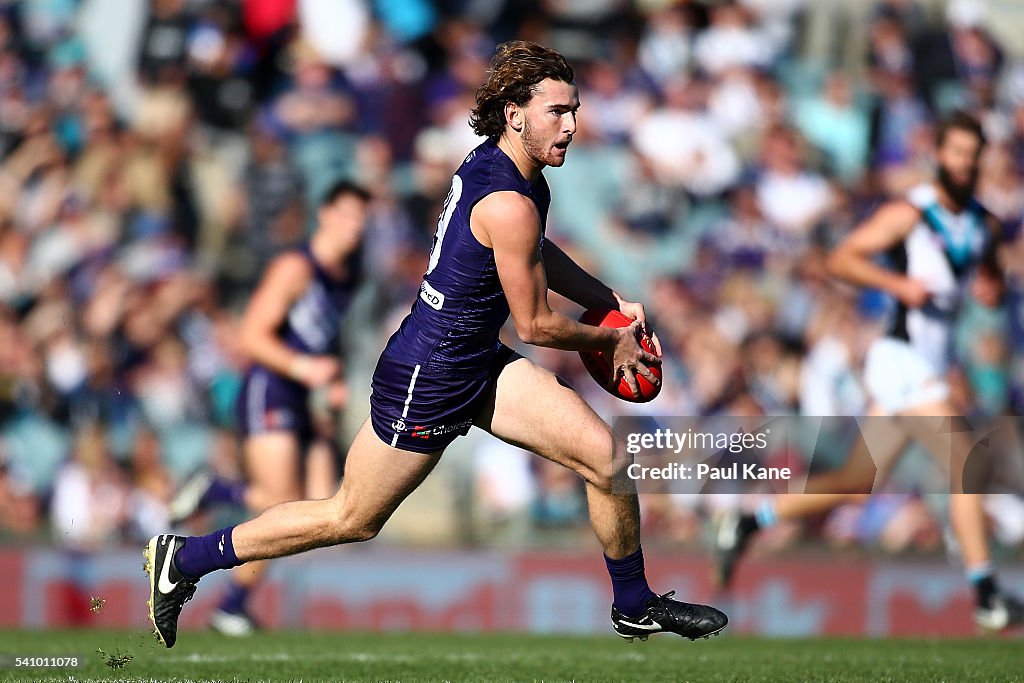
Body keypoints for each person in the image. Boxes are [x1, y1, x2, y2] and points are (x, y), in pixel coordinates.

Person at [144, 41, 728, 648]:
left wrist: (607, 299)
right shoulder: (509, 201)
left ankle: (633, 603)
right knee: (350, 517)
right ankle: (185, 560)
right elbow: (536, 327)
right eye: (557, 111)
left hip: (476, 360)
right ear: (515, 114)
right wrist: (609, 339)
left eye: (574, 110)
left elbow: (534, 256)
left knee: (605, 460)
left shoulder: (511, 170)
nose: (572, 125)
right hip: (431, 373)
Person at [714, 111, 1023, 632]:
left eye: (974, 156)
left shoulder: (983, 223)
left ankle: (749, 519)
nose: (965, 164)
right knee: (967, 461)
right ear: (939, 156)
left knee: (859, 482)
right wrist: (899, 287)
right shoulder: (911, 213)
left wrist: (991, 286)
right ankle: (986, 594)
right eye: (957, 153)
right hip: (899, 357)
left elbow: (989, 280)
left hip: (932, 362)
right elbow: (842, 259)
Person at [166, 180, 369, 635]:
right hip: (271, 388)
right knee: (283, 508)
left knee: (315, 508)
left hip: (304, 395)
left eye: (363, 219)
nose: (357, 228)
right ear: (326, 215)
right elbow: (252, 336)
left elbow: (326, 338)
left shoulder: (348, 276)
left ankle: (219, 500)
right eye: (350, 216)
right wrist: (305, 367)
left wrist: (331, 382)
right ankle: (230, 598)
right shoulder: (296, 267)